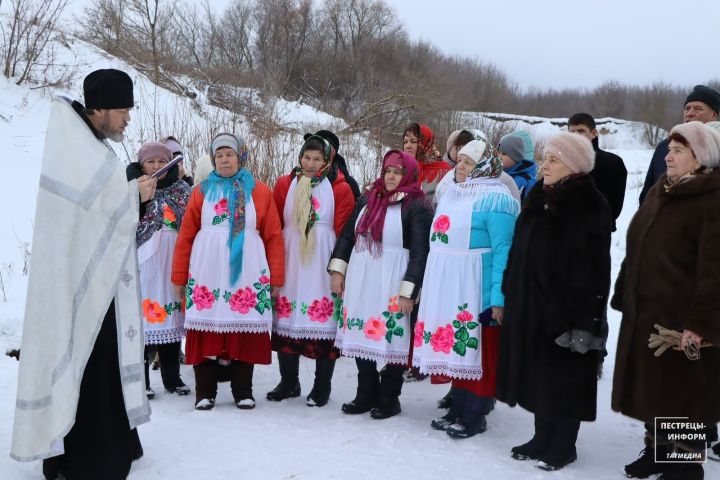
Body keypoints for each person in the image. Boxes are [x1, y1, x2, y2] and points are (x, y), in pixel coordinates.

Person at [12, 69, 151, 479]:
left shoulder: (86, 142)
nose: (127, 119)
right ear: (100, 109)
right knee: (91, 362)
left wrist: (130, 198)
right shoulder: (78, 149)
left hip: (95, 281)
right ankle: (92, 457)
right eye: (123, 110)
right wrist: (133, 196)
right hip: (83, 286)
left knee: (100, 362)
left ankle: (111, 442)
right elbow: (91, 218)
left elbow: (97, 214)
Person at [496, 132, 611, 471]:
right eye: (545, 158)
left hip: (567, 308)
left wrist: (584, 317)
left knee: (565, 375)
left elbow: (596, 268)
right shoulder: (536, 195)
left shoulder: (590, 204)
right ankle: (541, 436)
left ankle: (564, 444)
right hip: (531, 302)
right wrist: (509, 286)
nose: (544, 164)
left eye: (553, 159)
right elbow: (519, 247)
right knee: (537, 373)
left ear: (573, 165)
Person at [612, 121, 720, 480]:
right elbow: (636, 245)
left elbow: (714, 271)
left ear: (700, 158)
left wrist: (700, 325)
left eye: (678, 151)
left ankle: (685, 469)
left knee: (683, 400)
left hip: (682, 321)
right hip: (649, 314)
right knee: (654, 390)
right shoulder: (663, 190)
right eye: (668, 149)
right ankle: (657, 454)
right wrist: (625, 291)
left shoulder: (711, 200)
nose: (668, 156)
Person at [414, 139, 519, 438]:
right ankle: (458, 406)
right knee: (459, 351)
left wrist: (498, 298)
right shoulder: (453, 194)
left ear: (486, 166)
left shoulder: (497, 200)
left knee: (477, 352)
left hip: (477, 289)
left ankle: (475, 414)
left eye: (468, 162)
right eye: (459, 160)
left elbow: (503, 254)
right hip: (450, 288)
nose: (460, 166)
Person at [171, 133, 285, 411]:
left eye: (229, 154)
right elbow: (185, 235)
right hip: (207, 270)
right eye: (219, 155)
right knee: (206, 327)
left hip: (247, 270)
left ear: (240, 157)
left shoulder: (259, 191)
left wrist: (277, 277)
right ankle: (205, 392)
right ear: (213, 160)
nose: (224, 159)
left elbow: (273, 235)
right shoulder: (200, 191)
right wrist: (179, 277)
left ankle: (242, 390)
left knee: (243, 327)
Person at [329, 150, 433, 419]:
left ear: (408, 174)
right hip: (362, 278)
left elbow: (421, 253)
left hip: (393, 281)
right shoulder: (368, 198)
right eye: (388, 171)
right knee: (360, 333)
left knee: (392, 337)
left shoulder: (417, 205)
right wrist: (338, 270)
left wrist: (409, 292)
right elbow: (346, 237)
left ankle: (389, 397)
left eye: (397, 172)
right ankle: (365, 392)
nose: (390, 176)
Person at [267, 134, 355, 407]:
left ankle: (321, 386)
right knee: (286, 319)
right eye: (307, 157)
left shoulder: (340, 188)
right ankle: (289, 381)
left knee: (322, 321)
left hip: (322, 260)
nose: (310, 163)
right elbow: (274, 223)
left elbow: (345, 233)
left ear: (327, 160)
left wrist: (339, 268)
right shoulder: (285, 184)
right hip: (292, 257)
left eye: (317, 159)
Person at [126, 141, 192, 399]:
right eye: (150, 162)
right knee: (142, 322)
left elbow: (190, 224)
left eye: (162, 162)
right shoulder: (133, 189)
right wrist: (140, 197)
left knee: (172, 320)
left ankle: (172, 378)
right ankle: (141, 382)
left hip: (172, 262)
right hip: (144, 262)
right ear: (141, 164)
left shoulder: (181, 191)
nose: (156, 167)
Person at [639, 85, 720, 204]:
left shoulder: (717, 148)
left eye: (698, 109)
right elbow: (648, 191)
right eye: (687, 108)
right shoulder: (664, 147)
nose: (690, 113)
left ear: (714, 115)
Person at [567, 113, 627, 232]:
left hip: (596, 235)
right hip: (564, 233)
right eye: (572, 132)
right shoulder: (562, 162)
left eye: (581, 131)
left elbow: (613, 208)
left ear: (594, 133)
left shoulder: (612, 163)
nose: (576, 136)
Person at [402, 122, 451, 204]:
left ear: (425, 143)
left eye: (413, 141)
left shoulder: (443, 172)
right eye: (405, 141)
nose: (408, 146)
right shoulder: (401, 169)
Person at [497, 131, 537, 200]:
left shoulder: (527, 181)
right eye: (499, 153)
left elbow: (532, 204)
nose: (499, 157)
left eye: (504, 154)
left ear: (515, 157)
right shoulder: (498, 174)